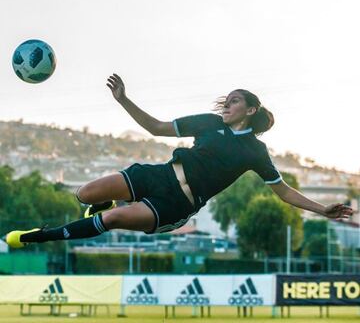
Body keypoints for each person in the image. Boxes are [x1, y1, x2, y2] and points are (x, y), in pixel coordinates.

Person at [5, 74, 353, 248]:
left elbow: (285, 192)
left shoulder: (255, 153)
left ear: (251, 110)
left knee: (111, 219)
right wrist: (123, 100)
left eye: (234, 102)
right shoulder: (208, 122)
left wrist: (323, 210)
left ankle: (36, 237)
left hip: (175, 203)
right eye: (226, 101)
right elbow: (156, 128)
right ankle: (102, 201)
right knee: (84, 194)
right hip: (157, 175)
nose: (226, 105)